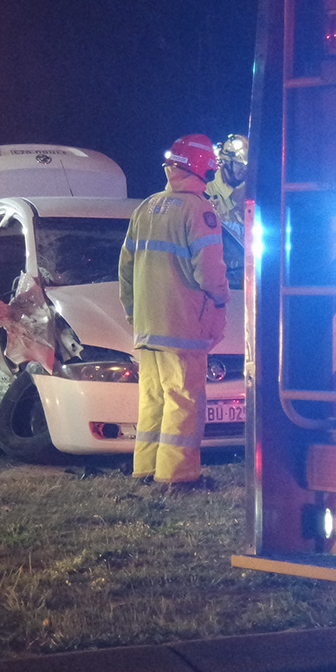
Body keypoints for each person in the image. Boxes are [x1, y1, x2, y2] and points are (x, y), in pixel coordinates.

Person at [118, 133, 228, 490]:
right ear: (204, 168)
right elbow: (209, 272)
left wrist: (133, 313)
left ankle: (146, 469)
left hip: (147, 326)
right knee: (183, 400)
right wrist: (221, 302)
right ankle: (177, 476)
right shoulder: (199, 210)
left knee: (152, 400)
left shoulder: (145, 207)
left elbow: (125, 268)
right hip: (183, 323)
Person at [206, 133, 249, 237]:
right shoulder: (207, 190)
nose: (244, 169)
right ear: (227, 162)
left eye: (247, 165)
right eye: (239, 164)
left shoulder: (251, 191)